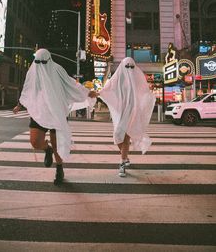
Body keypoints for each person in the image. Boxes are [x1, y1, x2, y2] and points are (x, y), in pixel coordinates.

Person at [13, 48, 97, 185]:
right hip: (39, 111)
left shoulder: (57, 70)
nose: (40, 65)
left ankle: (59, 168)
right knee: (35, 142)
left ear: (49, 60)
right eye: (38, 62)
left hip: (57, 111)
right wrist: (20, 104)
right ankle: (47, 149)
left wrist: (87, 92)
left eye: (43, 62)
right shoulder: (33, 70)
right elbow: (27, 88)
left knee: (57, 143)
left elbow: (70, 84)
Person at [99, 57, 156, 177]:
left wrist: (149, 96)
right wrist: (100, 93)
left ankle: (122, 161)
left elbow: (144, 92)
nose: (129, 69)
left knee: (125, 138)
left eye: (131, 66)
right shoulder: (118, 79)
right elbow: (107, 89)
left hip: (133, 113)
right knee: (117, 135)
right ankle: (124, 157)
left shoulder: (137, 79)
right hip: (121, 113)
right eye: (127, 66)